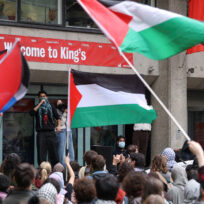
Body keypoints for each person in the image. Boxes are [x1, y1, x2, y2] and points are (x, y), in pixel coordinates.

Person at [30, 90, 60, 166]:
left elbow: (58, 117)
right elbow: (31, 113)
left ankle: (56, 169)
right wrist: (40, 103)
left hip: (51, 132)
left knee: (54, 152)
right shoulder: (37, 107)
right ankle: (42, 170)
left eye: (44, 96)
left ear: (47, 97)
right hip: (41, 133)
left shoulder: (51, 106)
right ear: (38, 97)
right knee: (41, 153)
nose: (43, 97)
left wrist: (58, 126)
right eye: (41, 96)